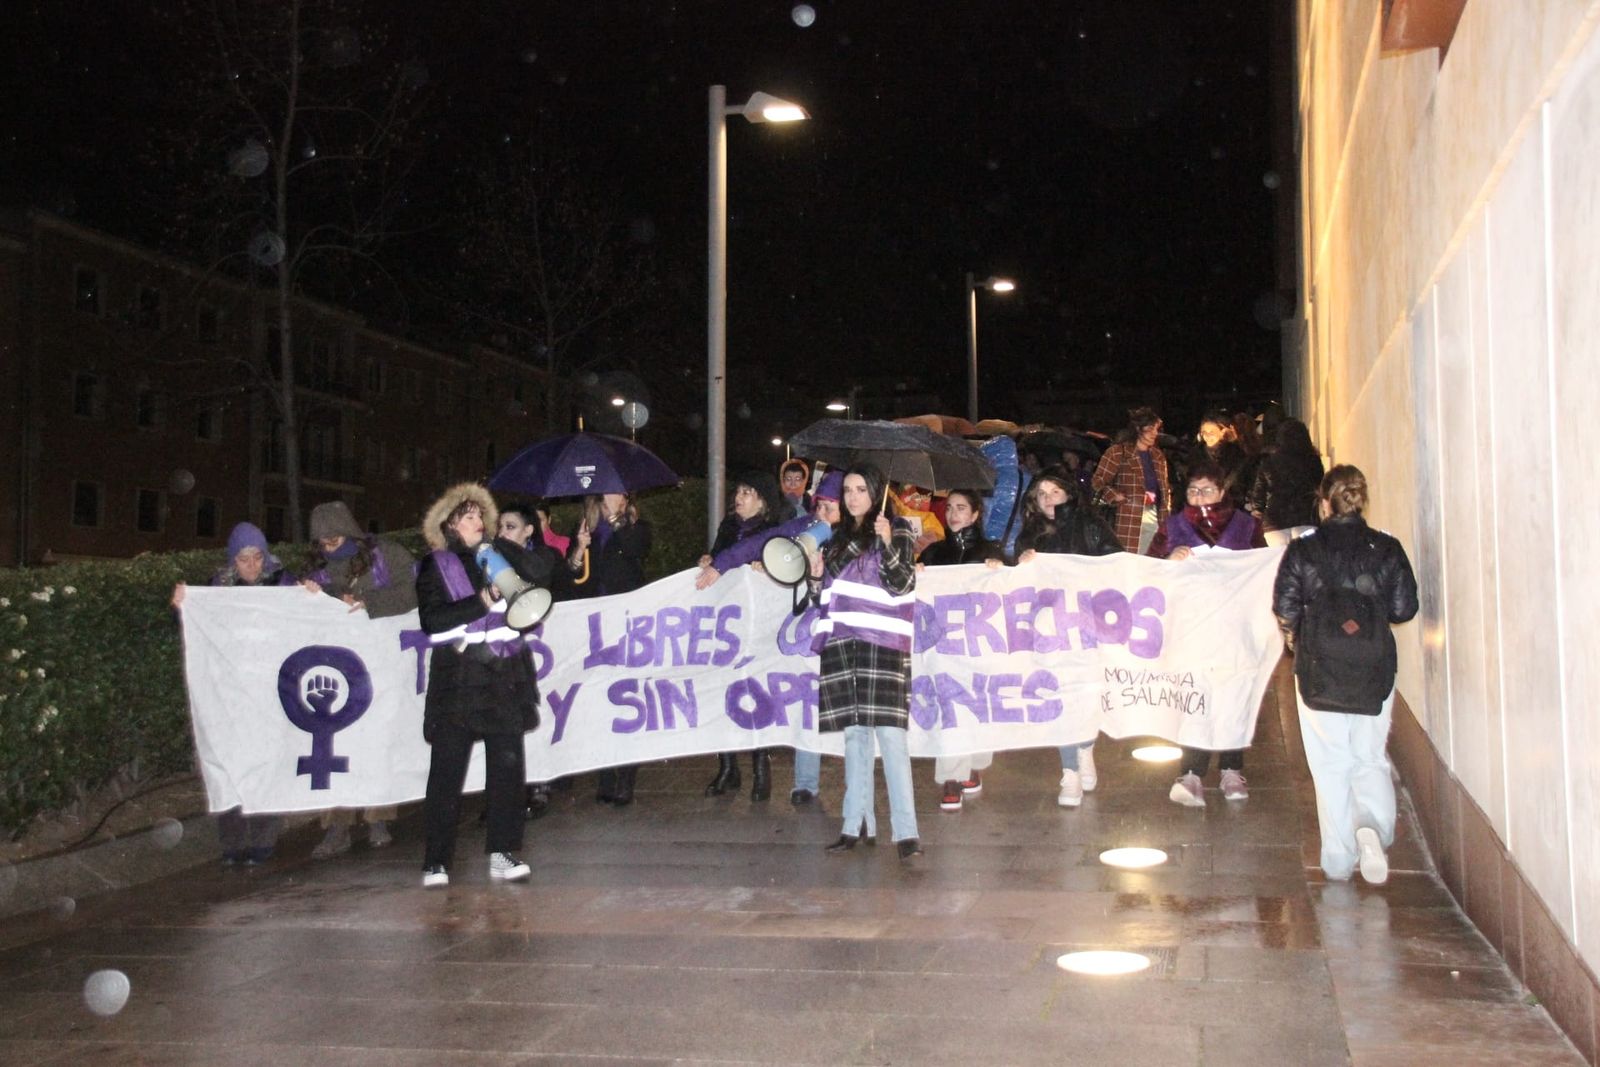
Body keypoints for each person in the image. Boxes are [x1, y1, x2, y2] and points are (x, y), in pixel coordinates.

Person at [1273, 465, 1418, 884]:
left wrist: (1297, 638)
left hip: (1320, 666)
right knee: (1368, 755)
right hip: (1373, 666)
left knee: (1330, 760)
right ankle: (1372, 828)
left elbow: (1285, 605)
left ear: (1324, 503)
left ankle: (1338, 856)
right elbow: (1403, 609)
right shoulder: (1386, 548)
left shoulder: (1303, 550)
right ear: (1361, 501)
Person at [696, 471, 847, 806]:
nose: (821, 516)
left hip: (844, 628)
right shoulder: (803, 527)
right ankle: (805, 783)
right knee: (810, 698)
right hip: (809, 629)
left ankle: (858, 786)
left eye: (830, 509)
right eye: (819, 507)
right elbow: (756, 545)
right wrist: (721, 564)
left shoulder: (854, 536)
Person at [414, 483, 539, 888]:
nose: (478, 522)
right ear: (450, 524)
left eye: (479, 516)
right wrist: (481, 602)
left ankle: (503, 852)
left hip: (503, 675)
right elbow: (432, 620)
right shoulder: (436, 565)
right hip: (459, 678)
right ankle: (436, 860)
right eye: (468, 516)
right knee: (447, 772)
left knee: (507, 766)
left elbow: (529, 608)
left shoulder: (498, 558)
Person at [808, 465, 923, 862]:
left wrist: (889, 542)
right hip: (844, 644)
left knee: (891, 737)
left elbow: (903, 583)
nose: (853, 496)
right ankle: (854, 824)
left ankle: (906, 832)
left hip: (883, 646)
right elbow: (823, 598)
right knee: (854, 736)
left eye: (861, 489)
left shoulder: (900, 527)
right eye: (848, 490)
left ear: (876, 492)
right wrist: (816, 578)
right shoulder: (837, 538)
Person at [171, 522, 295, 866]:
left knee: (267, 765)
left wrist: (313, 594)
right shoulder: (217, 589)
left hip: (270, 694)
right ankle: (233, 844)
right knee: (228, 764)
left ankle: (263, 840)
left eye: (257, 557)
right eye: (244, 559)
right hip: (230, 697)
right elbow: (194, 627)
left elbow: (306, 618)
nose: (252, 565)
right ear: (232, 561)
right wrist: (182, 605)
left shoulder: (284, 584)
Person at [300, 501, 417, 857]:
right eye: (321, 541)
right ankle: (336, 826)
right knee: (336, 744)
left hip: (380, 665)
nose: (328, 546)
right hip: (337, 669)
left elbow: (412, 592)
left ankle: (378, 817)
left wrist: (367, 601)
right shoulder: (315, 568)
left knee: (375, 742)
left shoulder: (387, 556)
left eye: (333, 538)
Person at [1149, 464, 1267, 807]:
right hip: (1192, 626)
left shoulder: (1245, 525)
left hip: (1235, 627)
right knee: (1194, 696)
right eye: (1192, 491)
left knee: (1233, 695)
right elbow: (1150, 569)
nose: (1199, 497)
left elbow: (1264, 567)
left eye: (1206, 490)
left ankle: (1231, 767)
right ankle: (1192, 771)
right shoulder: (1173, 526)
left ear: (1221, 492)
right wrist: (1170, 559)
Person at [1014, 467, 1123, 808]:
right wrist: (1022, 563)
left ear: (1068, 495)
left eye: (1054, 492)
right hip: (1050, 629)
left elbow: (1116, 560)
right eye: (1041, 494)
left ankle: (1085, 748)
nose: (1048, 500)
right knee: (1061, 696)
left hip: (1088, 625)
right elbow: (1016, 583)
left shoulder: (1090, 525)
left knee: (1086, 694)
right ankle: (1070, 772)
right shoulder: (1030, 534)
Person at [698, 471, 784, 799]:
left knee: (754, 692)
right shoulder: (728, 527)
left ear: (762, 500)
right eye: (739, 490)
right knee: (725, 691)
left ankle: (761, 769)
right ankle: (728, 767)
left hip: (758, 624)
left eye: (748, 491)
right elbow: (718, 559)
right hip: (727, 625)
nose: (740, 497)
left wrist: (766, 568)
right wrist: (709, 559)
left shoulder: (771, 532)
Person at [916, 489, 1005, 812]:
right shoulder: (934, 552)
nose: (953, 514)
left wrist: (1001, 571)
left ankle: (974, 762)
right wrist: (918, 575)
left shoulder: (989, 551)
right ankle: (951, 777)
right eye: (950, 508)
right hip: (943, 644)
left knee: (977, 705)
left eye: (961, 508)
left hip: (978, 644)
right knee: (949, 708)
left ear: (975, 514)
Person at [566, 490, 653, 805]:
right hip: (593, 625)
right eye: (608, 492)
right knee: (599, 696)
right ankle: (605, 774)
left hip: (626, 622)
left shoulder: (637, 527)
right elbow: (571, 576)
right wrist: (578, 550)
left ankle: (626, 777)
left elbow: (636, 550)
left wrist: (618, 522)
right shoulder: (585, 529)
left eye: (619, 492)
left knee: (626, 696)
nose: (612, 497)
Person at [494, 501, 561, 817]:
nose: (502, 533)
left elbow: (538, 572)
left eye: (510, 527)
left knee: (537, 721)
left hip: (533, 655)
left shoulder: (543, 556)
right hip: (500, 657)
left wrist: (503, 548)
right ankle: (505, 794)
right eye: (500, 527)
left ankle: (538, 787)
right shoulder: (491, 559)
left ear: (529, 530)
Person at [1092, 406, 1171, 555]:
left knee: (1153, 560)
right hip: (1127, 516)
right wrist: (1113, 495)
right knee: (1129, 562)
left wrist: (1166, 518)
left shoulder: (1158, 456)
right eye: (1151, 429)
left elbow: (1164, 490)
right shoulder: (1118, 452)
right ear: (1138, 428)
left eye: (1156, 429)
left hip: (1155, 515)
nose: (1155, 433)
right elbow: (1098, 481)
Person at [1247, 418, 1325, 545]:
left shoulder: (1269, 462)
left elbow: (1258, 494)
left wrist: (1258, 511)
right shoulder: (1313, 461)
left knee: (1280, 562)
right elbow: (1320, 486)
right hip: (1306, 517)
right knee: (1305, 561)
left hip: (1275, 521)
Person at [1192, 410, 1248, 496]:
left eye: (1212, 433)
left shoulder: (1236, 454)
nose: (1207, 436)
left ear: (1223, 432)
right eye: (1204, 433)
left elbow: (1239, 481)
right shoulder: (1197, 453)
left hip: (1231, 502)